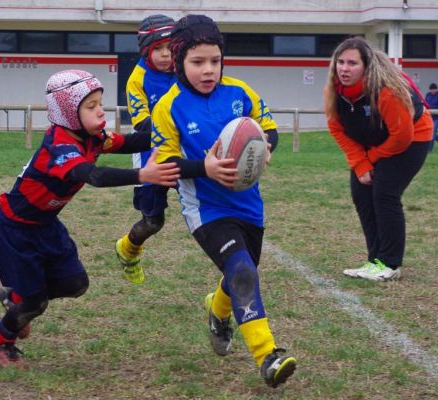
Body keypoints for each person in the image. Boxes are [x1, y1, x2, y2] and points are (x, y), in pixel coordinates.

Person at [0, 69, 180, 368]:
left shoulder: (94, 137)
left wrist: (171, 128)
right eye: (91, 106)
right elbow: (94, 177)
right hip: (15, 229)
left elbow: (132, 142)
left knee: (75, 283)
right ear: (68, 113)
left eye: (100, 103)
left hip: (46, 225)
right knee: (35, 303)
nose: (100, 111)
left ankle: (16, 299)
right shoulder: (60, 147)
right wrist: (143, 174)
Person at [151, 15, 296, 388]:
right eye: (198, 62)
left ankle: (217, 313)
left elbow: (269, 129)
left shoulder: (240, 92)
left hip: (249, 206)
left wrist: (265, 147)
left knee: (239, 275)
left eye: (215, 61)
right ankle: (268, 355)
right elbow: (165, 163)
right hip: (207, 211)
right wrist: (206, 168)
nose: (208, 70)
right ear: (180, 60)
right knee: (244, 271)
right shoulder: (169, 108)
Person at [324, 37, 433, 281]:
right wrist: (360, 163)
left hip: (412, 137)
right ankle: (375, 260)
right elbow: (336, 128)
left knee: (384, 192)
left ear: (366, 66)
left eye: (352, 63)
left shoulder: (386, 90)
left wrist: (371, 158)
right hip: (373, 139)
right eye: (340, 62)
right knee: (360, 191)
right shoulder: (335, 90)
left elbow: (401, 137)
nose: (344, 68)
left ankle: (390, 264)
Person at [115, 14, 176, 284]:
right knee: (153, 222)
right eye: (158, 49)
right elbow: (142, 125)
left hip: (186, 152)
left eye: (170, 48)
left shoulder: (186, 69)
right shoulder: (137, 79)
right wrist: (179, 125)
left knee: (208, 205)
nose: (166, 55)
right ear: (146, 50)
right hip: (150, 156)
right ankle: (128, 248)